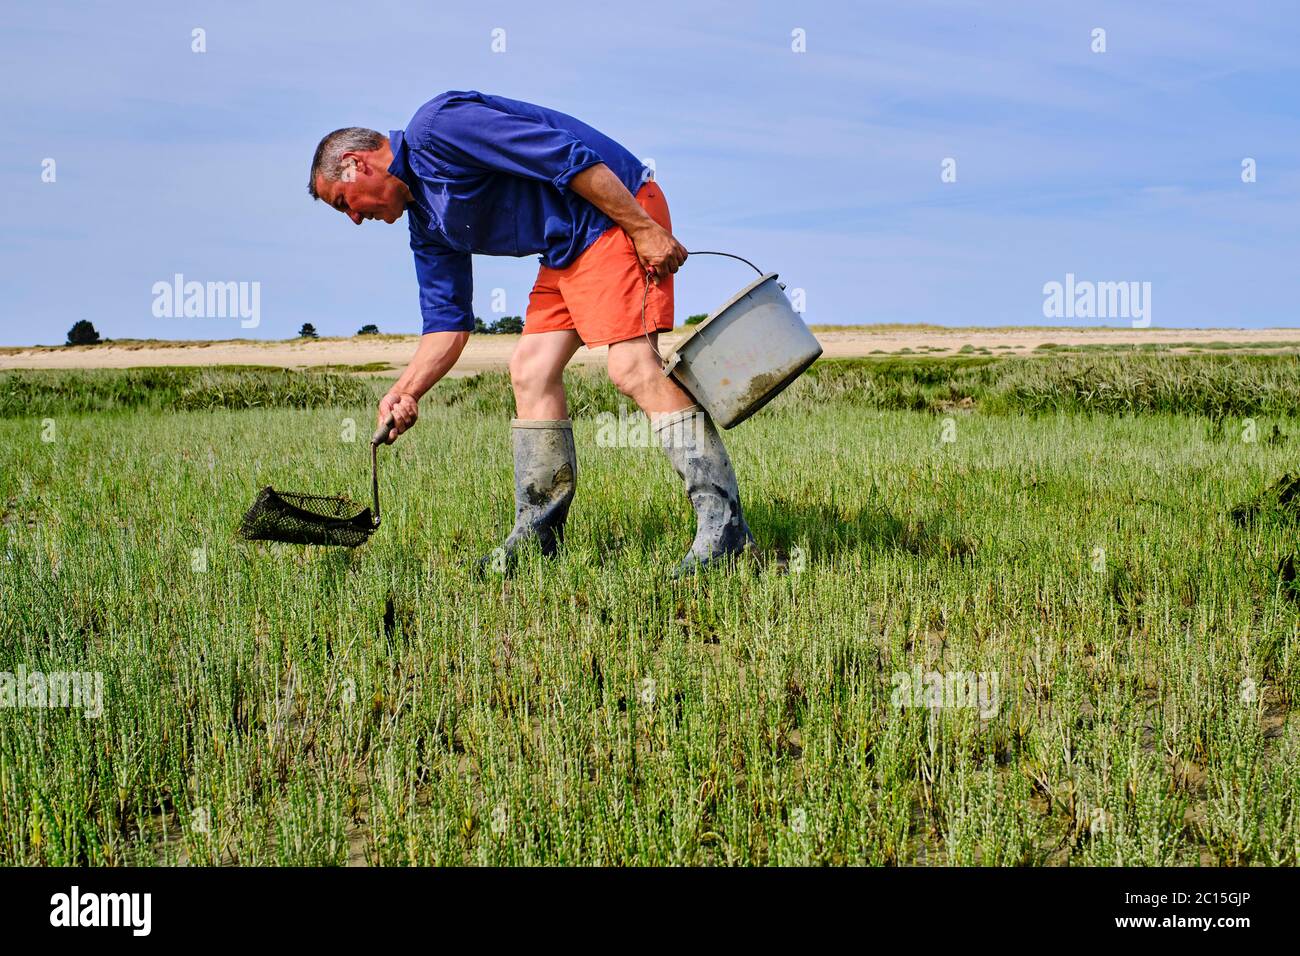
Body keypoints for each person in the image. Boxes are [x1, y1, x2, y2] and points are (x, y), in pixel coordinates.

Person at [308, 91, 753, 574]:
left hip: (612, 214)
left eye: (343, 204)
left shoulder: (437, 129)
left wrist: (643, 228)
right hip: (564, 247)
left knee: (631, 366)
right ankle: (539, 533)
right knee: (530, 369)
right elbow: (448, 323)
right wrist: (406, 391)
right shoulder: (427, 223)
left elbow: (565, 155)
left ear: (356, 164)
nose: (354, 218)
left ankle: (725, 529)